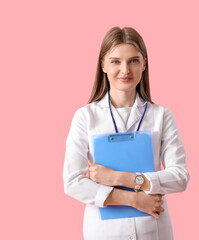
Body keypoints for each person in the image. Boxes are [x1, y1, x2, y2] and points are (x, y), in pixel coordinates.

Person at [63, 26, 190, 240]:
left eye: (133, 60)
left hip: (153, 229)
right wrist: (134, 199)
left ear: (144, 64)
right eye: (115, 61)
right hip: (104, 232)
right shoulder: (85, 117)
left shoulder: (162, 116)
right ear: (102, 65)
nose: (125, 70)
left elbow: (180, 177)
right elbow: (72, 182)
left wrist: (118, 178)